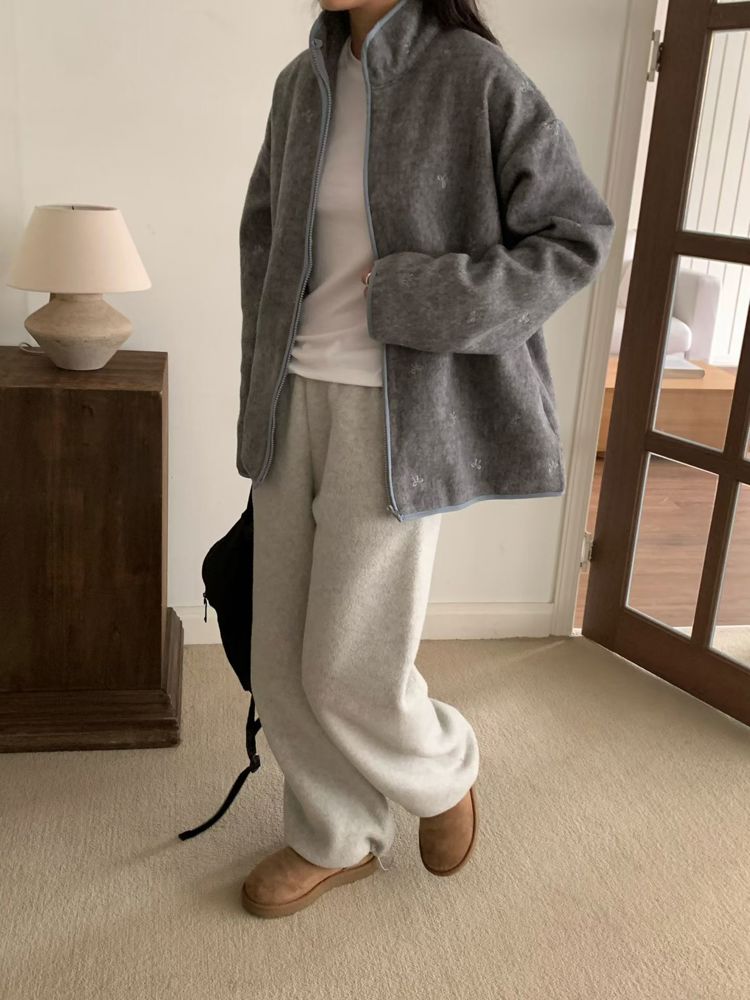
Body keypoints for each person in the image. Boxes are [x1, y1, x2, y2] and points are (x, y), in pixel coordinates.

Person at [237, 0, 616, 919]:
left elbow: (574, 236)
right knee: (277, 655)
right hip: (293, 395)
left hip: (400, 412)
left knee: (349, 664)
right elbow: (264, 236)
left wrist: (423, 293)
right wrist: (260, 372)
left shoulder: (474, 76)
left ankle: (443, 776)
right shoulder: (300, 85)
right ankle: (335, 836)